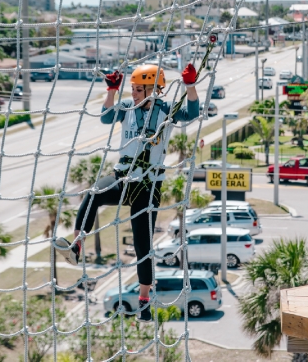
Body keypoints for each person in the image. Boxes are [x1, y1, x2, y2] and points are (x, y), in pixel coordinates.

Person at [55, 63, 200, 322]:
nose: (133, 93)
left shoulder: (166, 111)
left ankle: (144, 299)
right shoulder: (126, 109)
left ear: (154, 90)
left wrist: (190, 86)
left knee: (142, 244)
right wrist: (111, 90)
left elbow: (191, 113)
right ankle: (77, 246)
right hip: (123, 178)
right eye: (132, 89)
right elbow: (106, 117)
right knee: (92, 194)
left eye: (138, 89)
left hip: (148, 185)